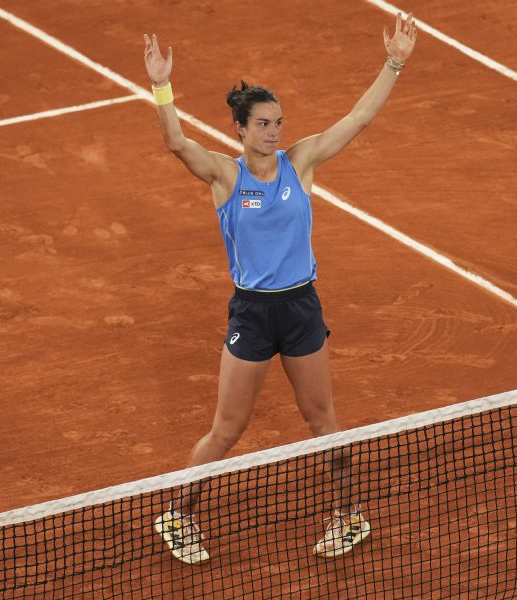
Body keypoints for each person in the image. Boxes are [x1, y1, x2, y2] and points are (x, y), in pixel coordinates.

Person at [143, 12, 417, 565]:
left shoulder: (301, 161)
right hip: (252, 313)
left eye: (278, 122)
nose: (274, 131)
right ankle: (179, 513)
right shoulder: (224, 175)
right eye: (264, 123)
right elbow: (175, 142)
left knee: (323, 422)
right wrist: (162, 87)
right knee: (226, 429)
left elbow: (359, 118)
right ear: (241, 130)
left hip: (300, 308)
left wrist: (393, 63)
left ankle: (347, 515)